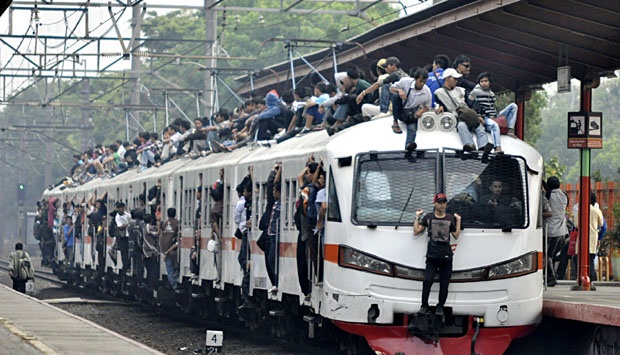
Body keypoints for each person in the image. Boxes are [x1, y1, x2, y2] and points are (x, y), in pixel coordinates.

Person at [414, 193, 461, 317]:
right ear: (434, 203)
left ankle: (440, 307)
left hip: (446, 256)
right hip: (432, 256)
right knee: (427, 281)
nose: (442, 205)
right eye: (439, 202)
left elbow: (456, 235)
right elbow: (416, 231)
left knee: (444, 283)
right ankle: (424, 305)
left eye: (444, 202)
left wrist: (458, 220)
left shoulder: (450, 218)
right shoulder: (429, 217)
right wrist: (417, 217)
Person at [434, 68, 491, 153]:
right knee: (461, 126)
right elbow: (438, 105)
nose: (456, 81)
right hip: (458, 117)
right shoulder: (438, 93)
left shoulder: (462, 90)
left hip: (469, 114)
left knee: (479, 126)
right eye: (455, 78)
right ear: (447, 79)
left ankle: (484, 147)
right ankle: (469, 145)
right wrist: (440, 108)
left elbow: (472, 103)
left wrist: (478, 115)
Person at [389, 68, 432, 158]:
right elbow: (391, 88)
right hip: (401, 109)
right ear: (415, 79)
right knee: (396, 96)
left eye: (424, 82)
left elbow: (427, 106)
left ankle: (409, 145)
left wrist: (421, 111)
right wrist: (399, 91)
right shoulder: (405, 81)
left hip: (412, 113)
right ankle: (395, 121)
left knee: (412, 128)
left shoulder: (427, 92)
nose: (422, 84)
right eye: (420, 81)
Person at [543, 177, 568, 286]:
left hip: (548, 230)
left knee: (546, 254)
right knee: (550, 254)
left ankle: (551, 277)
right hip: (560, 230)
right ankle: (549, 277)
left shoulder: (547, 196)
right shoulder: (564, 195)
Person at [236, 168, 254, 310]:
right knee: (243, 259)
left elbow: (237, 219)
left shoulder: (244, 204)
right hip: (245, 233)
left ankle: (246, 296)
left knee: (243, 259)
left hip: (247, 233)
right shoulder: (245, 203)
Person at [266, 163, 282, 294]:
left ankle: (276, 282)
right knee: (271, 260)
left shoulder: (281, 204)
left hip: (276, 235)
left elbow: (272, 185)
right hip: (272, 235)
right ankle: (275, 282)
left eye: (274, 191)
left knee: (272, 260)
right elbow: (271, 185)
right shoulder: (276, 203)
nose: (273, 193)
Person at [160, 207, 180, 289]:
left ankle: (175, 287)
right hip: (175, 250)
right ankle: (177, 286)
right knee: (175, 268)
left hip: (165, 249)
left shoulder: (164, 223)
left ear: (167, 214)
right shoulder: (177, 223)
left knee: (170, 270)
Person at [142, 214, 160, 290]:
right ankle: (152, 286)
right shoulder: (149, 227)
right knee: (153, 269)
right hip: (151, 251)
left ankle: (149, 286)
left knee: (149, 269)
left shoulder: (144, 227)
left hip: (146, 251)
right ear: (151, 220)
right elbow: (157, 234)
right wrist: (159, 226)